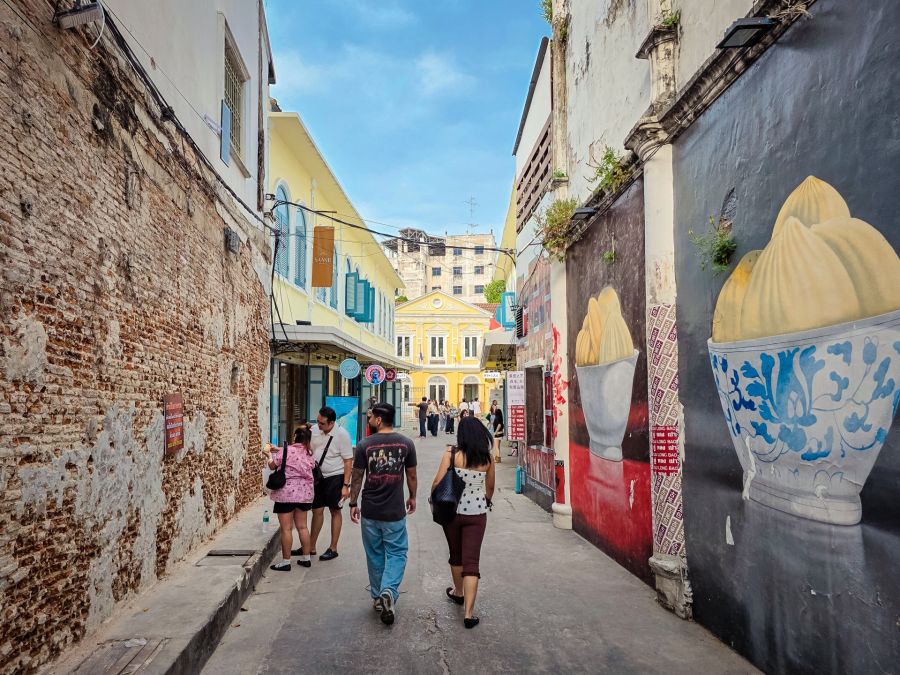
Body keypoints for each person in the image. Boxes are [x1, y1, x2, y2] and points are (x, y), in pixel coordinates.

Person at [349, 403, 417, 625]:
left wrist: (352, 503)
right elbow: (412, 475)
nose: (368, 420)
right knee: (397, 552)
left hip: (370, 509)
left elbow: (357, 476)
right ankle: (388, 590)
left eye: (370, 417)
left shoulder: (364, 445)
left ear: (379, 420)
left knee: (375, 553)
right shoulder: (406, 443)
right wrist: (412, 496)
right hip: (394, 510)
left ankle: (379, 596)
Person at [430, 416, 495, 628]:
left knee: (456, 555)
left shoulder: (451, 453)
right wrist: (485, 500)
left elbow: (437, 482)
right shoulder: (487, 458)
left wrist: (434, 499)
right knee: (472, 562)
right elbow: (490, 488)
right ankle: (468, 614)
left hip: (452, 512)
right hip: (477, 515)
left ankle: (458, 592)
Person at [264, 424, 316, 571]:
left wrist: (269, 455)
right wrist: (279, 449)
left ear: (294, 437)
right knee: (303, 527)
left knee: (286, 529)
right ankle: (306, 558)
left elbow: (273, 466)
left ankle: (286, 562)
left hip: (286, 495)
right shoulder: (309, 453)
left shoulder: (285, 451)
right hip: (304, 494)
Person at [306, 406, 354, 561]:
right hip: (318, 477)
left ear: (332, 423)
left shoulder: (342, 435)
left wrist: (345, 486)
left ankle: (333, 548)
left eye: (322, 423)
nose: (318, 425)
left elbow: (348, 461)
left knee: (335, 511)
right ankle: (311, 547)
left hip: (336, 477)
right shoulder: (314, 430)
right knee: (316, 510)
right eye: (318, 421)